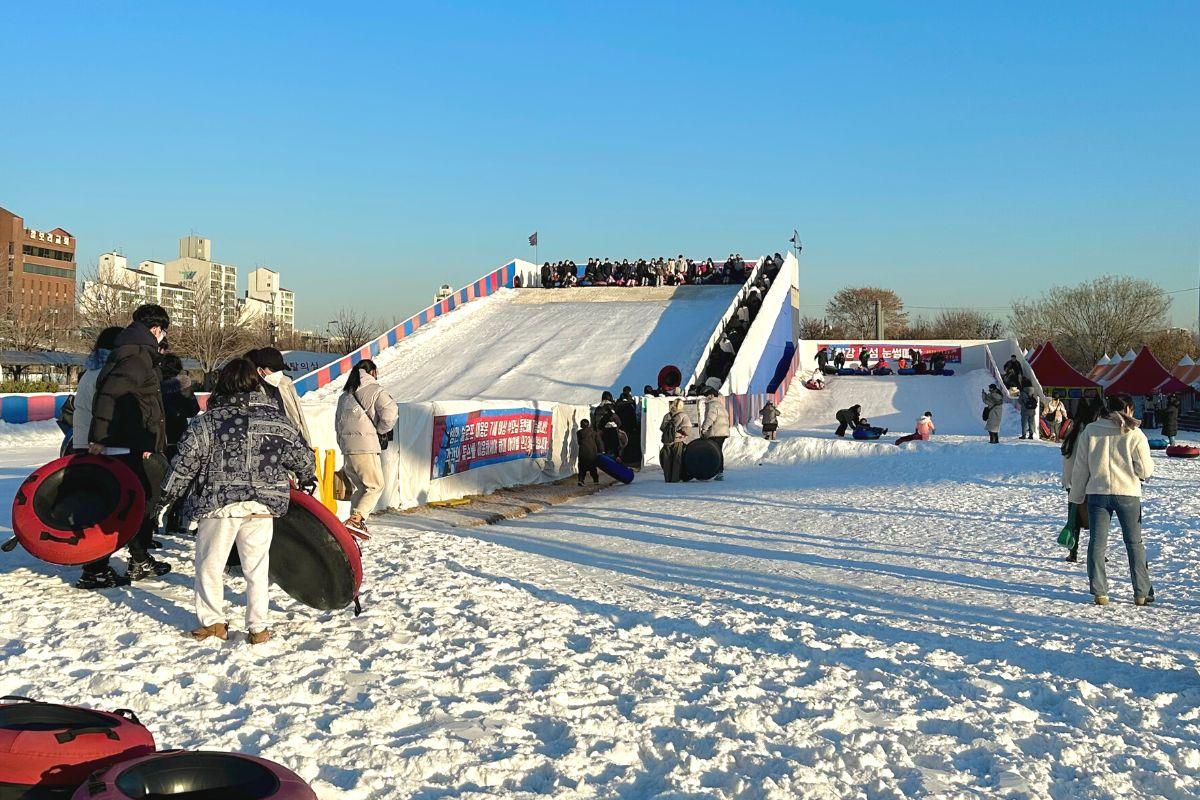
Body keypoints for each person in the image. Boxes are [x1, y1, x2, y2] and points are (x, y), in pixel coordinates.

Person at [157, 358, 316, 644]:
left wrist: (165, 497)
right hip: (263, 505)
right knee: (256, 569)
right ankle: (258, 628)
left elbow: (184, 464)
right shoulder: (277, 421)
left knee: (210, 565)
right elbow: (303, 458)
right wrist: (306, 476)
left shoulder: (208, 422)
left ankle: (213, 622)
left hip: (220, 505)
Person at [80, 305, 174, 589]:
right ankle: (96, 566)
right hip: (120, 447)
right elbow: (110, 396)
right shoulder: (135, 357)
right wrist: (98, 438)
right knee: (125, 505)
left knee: (136, 502)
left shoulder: (132, 353)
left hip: (129, 444)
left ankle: (137, 558)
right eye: (164, 331)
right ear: (156, 329)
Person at [1069, 393, 1154, 606]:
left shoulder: (1091, 430)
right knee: (1134, 543)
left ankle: (1100, 592)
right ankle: (1141, 592)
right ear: (1129, 410)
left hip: (1097, 492)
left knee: (1097, 544)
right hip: (1128, 493)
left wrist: (1077, 496)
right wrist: (1137, 472)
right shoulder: (1135, 433)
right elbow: (1145, 469)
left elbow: (1081, 468)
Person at [335, 359, 397, 536]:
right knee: (375, 485)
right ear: (373, 372)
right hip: (365, 447)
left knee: (361, 488)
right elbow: (391, 413)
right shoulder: (376, 390)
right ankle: (356, 520)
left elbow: (337, 425)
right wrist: (381, 430)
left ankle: (353, 525)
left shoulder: (344, 396)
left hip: (348, 449)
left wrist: (343, 445)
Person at [1058, 400, 1100, 563]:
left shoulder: (1072, 430)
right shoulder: (1090, 433)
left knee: (1074, 518)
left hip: (1071, 483)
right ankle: (1097, 552)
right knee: (1096, 520)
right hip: (1087, 482)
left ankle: (1073, 552)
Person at [71, 326, 123, 453]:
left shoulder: (91, 370)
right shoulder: (107, 373)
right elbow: (106, 408)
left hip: (83, 440)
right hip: (97, 446)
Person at [246, 347, 312, 444]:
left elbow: (298, 420)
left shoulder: (285, 385)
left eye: (280, 369)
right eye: (274, 370)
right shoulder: (253, 391)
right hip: (270, 447)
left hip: (292, 443)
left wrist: (305, 444)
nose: (278, 374)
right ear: (260, 370)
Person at [160, 353, 201, 459]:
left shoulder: (155, 387)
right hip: (178, 437)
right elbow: (193, 410)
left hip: (159, 439)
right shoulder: (181, 388)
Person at [700, 389, 730, 480]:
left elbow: (710, 418)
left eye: (707, 395)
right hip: (722, 432)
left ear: (712, 395)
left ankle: (714, 471)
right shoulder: (720, 405)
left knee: (713, 453)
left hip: (715, 432)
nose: (706, 397)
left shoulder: (712, 405)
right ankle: (719, 472)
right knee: (718, 452)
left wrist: (704, 429)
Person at [659, 399, 691, 482]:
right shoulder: (683, 415)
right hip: (678, 440)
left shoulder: (667, 415)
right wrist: (680, 434)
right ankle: (675, 478)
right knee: (677, 459)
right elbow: (687, 429)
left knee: (667, 460)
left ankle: (667, 478)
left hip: (667, 440)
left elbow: (662, 427)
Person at [576, 419, 603, 486]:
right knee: (593, 467)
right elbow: (599, 442)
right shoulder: (593, 433)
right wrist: (602, 451)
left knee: (582, 468)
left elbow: (579, 442)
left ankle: (581, 480)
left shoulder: (579, 433)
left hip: (582, 452)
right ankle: (596, 480)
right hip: (592, 452)